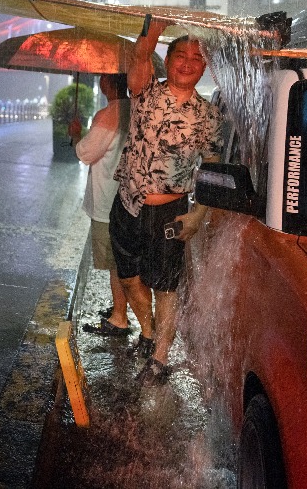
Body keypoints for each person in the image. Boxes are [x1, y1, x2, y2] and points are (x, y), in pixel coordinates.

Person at [110, 23, 222, 386]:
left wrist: (199, 213)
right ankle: (147, 328)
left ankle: (159, 357)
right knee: (128, 279)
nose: (188, 63)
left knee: (166, 286)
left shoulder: (208, 115)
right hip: (128, 203)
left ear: (204, 68)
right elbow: (140, 59)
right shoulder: (144, 92)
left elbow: (215, 167)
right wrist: (152, 32)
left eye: (196, 58)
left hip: (170, 213)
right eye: (180, 56)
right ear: (168, 62)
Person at [68, 74, 132, 336]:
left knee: (115, 262)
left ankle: (119, 318)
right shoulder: (134, 109)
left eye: (103, 76)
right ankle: (121, 308)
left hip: (108, 201)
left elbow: (85, 153)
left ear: (108, 83)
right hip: (128, 198)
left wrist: (76, 135)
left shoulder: (108, 115)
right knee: (122, 259)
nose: (100, 81)